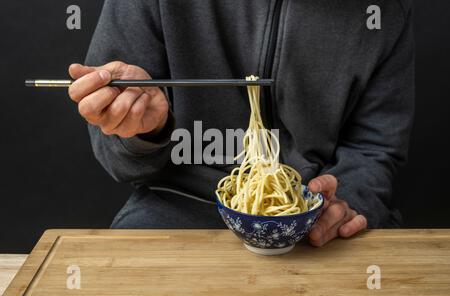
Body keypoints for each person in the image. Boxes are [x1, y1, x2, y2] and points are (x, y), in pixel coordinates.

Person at [68, 0, 414, 247]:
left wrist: (348, 199)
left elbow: (376, 148)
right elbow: (117, 158)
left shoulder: (382, 11)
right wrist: (147, 129)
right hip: (174, 208)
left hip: (310, 216)